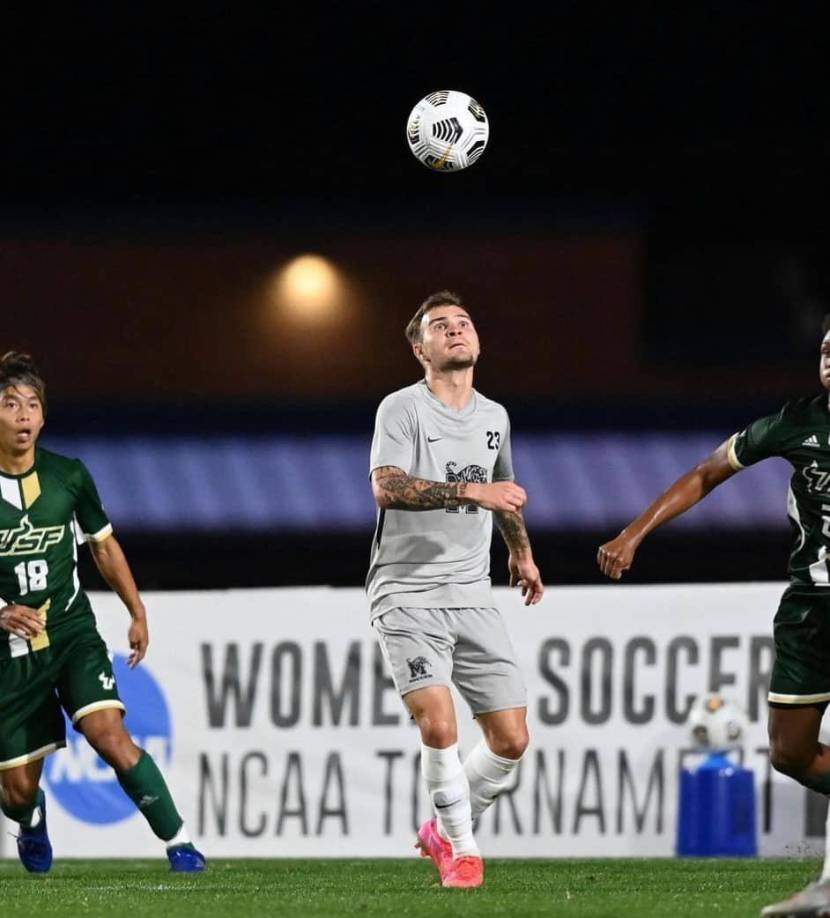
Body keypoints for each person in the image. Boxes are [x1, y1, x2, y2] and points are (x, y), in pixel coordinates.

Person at [596, 317, 830, 917]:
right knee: (791, 753)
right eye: (827, 349)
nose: (829, 359)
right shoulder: (794, 422)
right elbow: (706, 472)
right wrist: (633, 533)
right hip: (809, 608)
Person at [0, 352, 205, 874]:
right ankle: (29, 819)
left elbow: (103, 545)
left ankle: (181, 844)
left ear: (43, 417)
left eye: (32, 405)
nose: (23, 414)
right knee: (18, 791)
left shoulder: (69, 475)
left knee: (110, 736)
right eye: (9, 404)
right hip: (8, 655)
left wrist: (136, 610)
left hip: (70, 631)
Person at [366, 291, 544, 889]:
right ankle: (462, 851)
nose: (456, 330)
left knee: (512, 739)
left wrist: (520, 552)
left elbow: (506, 488)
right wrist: (475, 495)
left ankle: (443, 826)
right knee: (440, 726)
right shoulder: (402, 409)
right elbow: (388, 488)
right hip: (406, 591)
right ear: (421, 349)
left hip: (473, 591)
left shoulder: (495, 416)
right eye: (441, 327)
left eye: (464, 322)